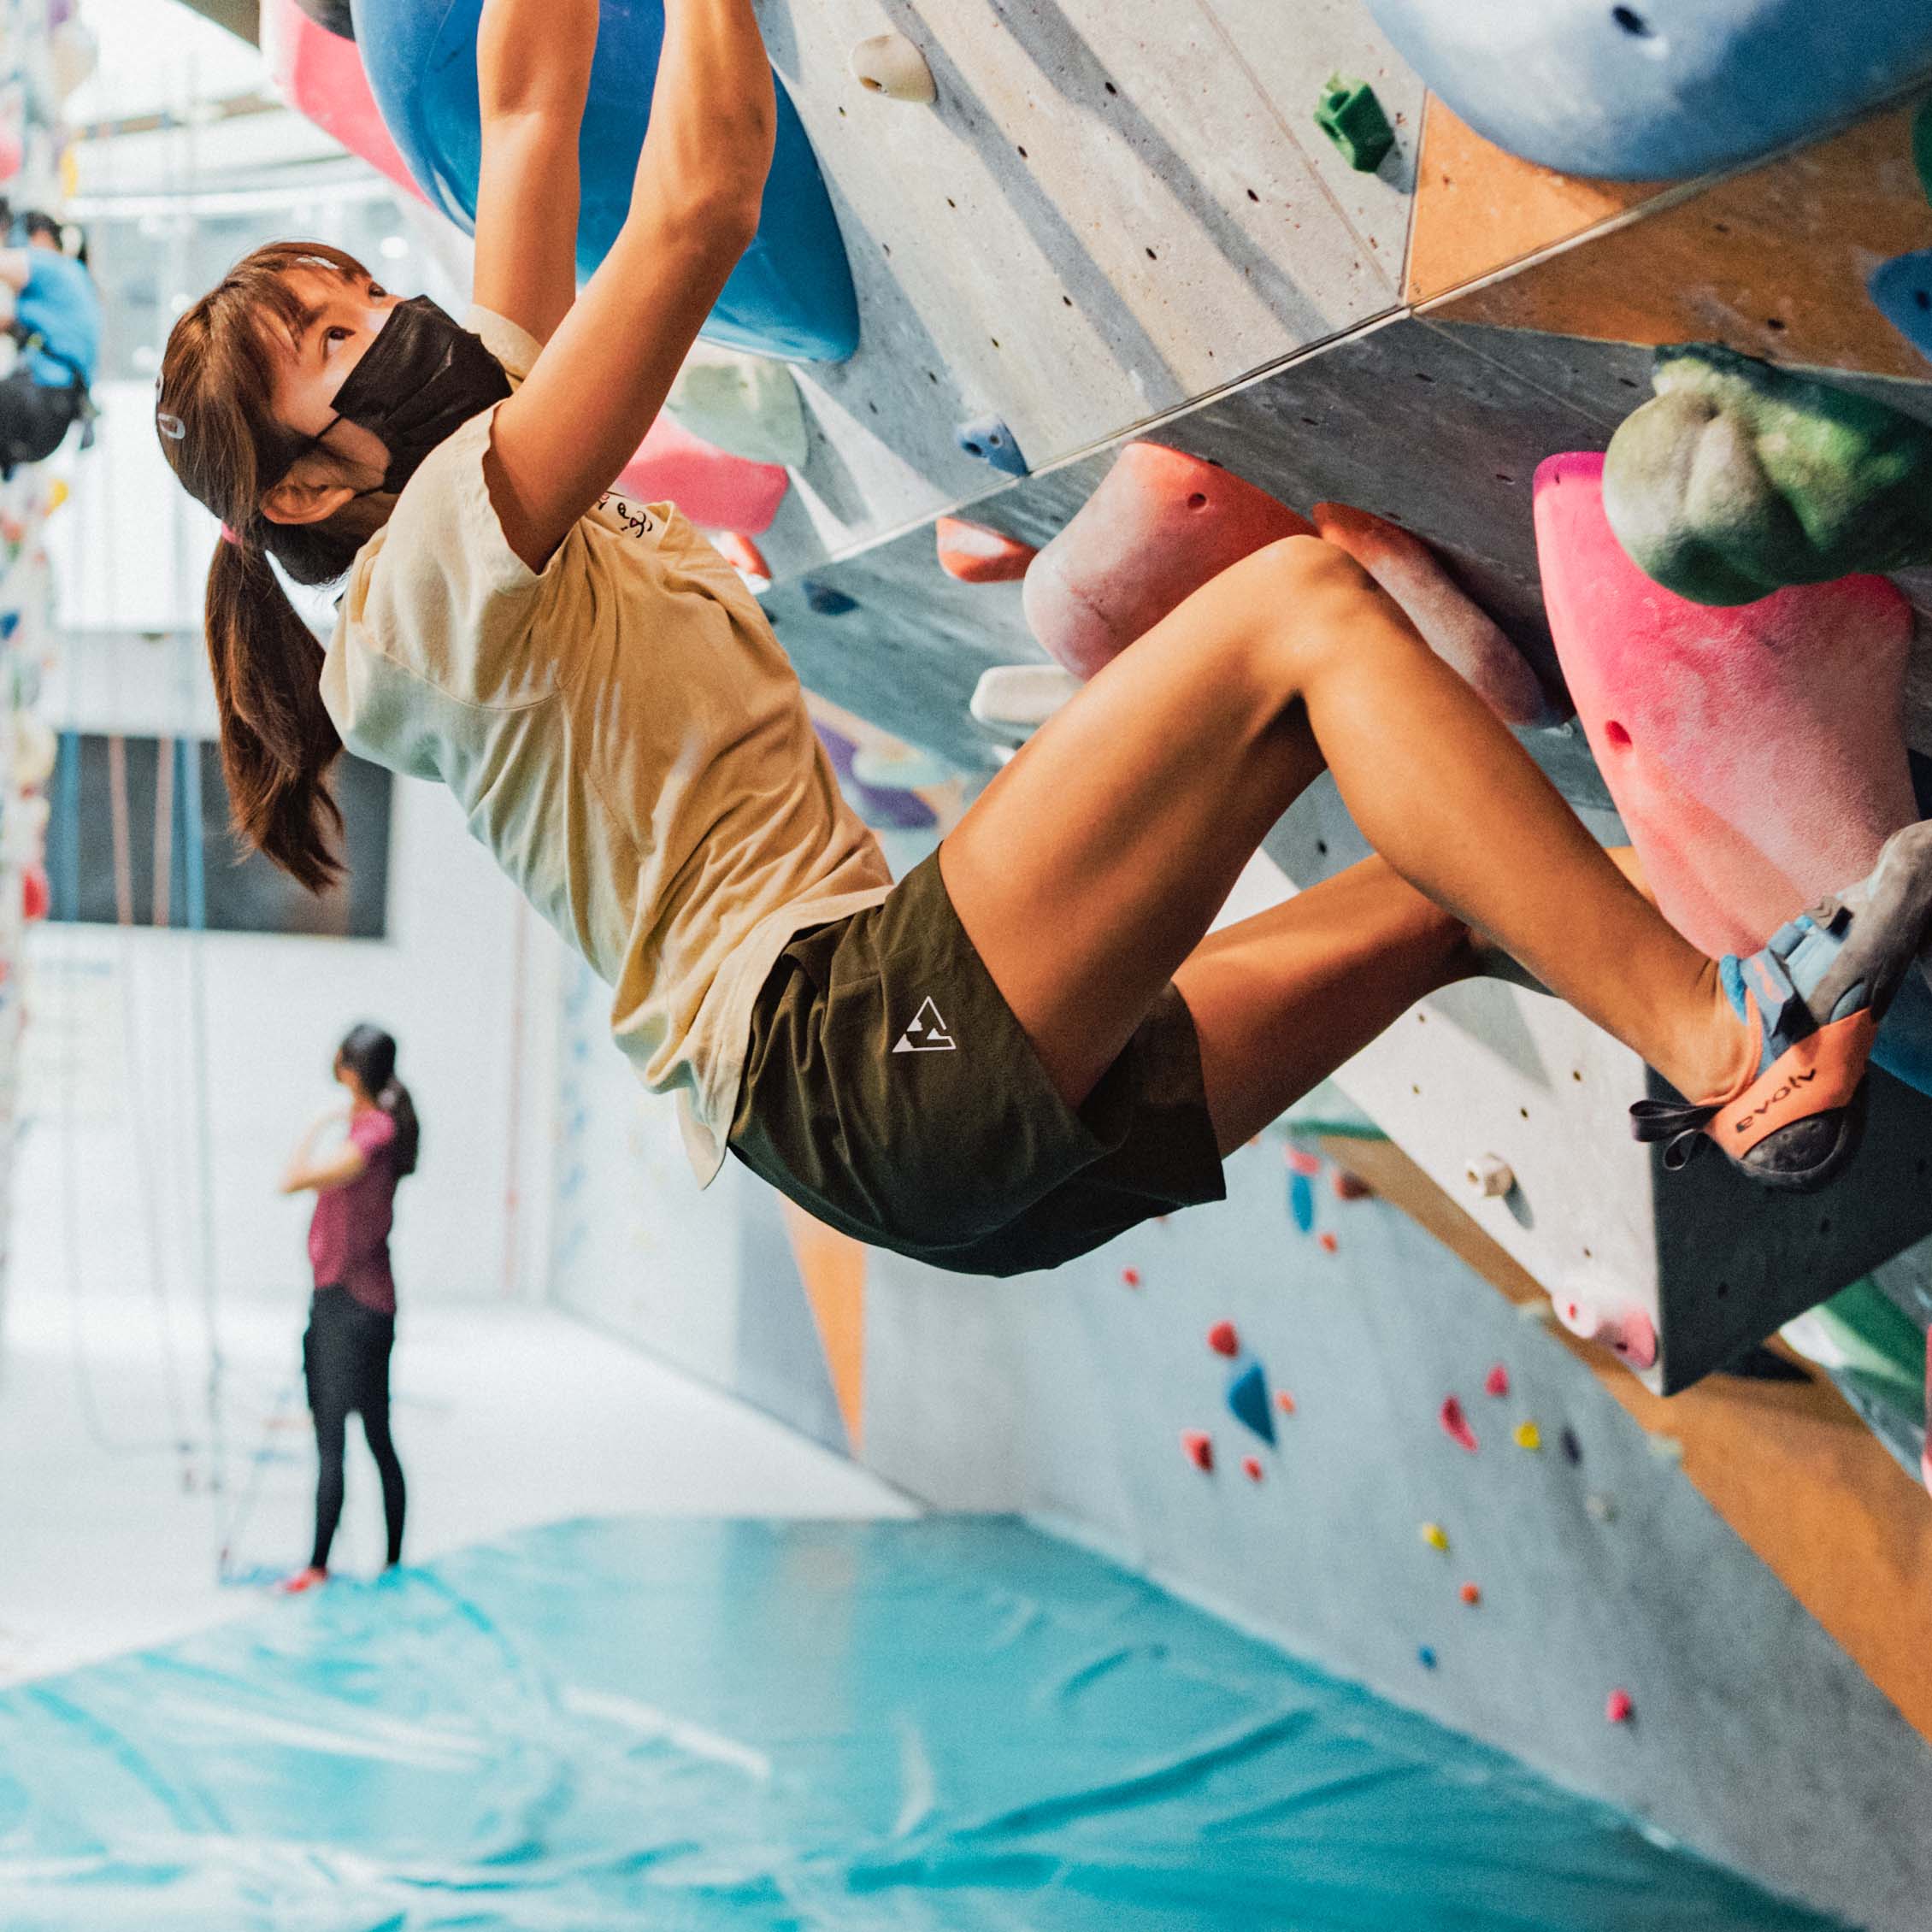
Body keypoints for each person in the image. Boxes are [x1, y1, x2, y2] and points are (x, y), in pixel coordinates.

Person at [153, 0, 1932, 1288]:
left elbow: (527, 107)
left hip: (918, 1144)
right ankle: (1721, 1043)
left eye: (351, 285)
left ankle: (1771, 1052)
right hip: (851, 1058)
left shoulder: (478, 442)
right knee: (1296, 620)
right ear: (307, 490)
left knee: (1464, 891)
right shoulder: (415, 597)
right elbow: (696, 208)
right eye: (334, 337)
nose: (386, 313)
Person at [276, 1023, 417, 1591]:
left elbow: (294, 1178)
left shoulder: (372, 1133)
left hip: (350, 1308)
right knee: (362, 1436)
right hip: (350, 1302)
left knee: (346, 1437)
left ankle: (324, 1564)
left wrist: (316, 1126)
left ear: (349, 1070)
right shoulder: (369, 1126)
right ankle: (381, 1562)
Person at [0, 208, 97, 475]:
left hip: (37, 404)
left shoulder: (53, 266)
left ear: (41, 236)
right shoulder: (72, 279)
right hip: (49, 422)